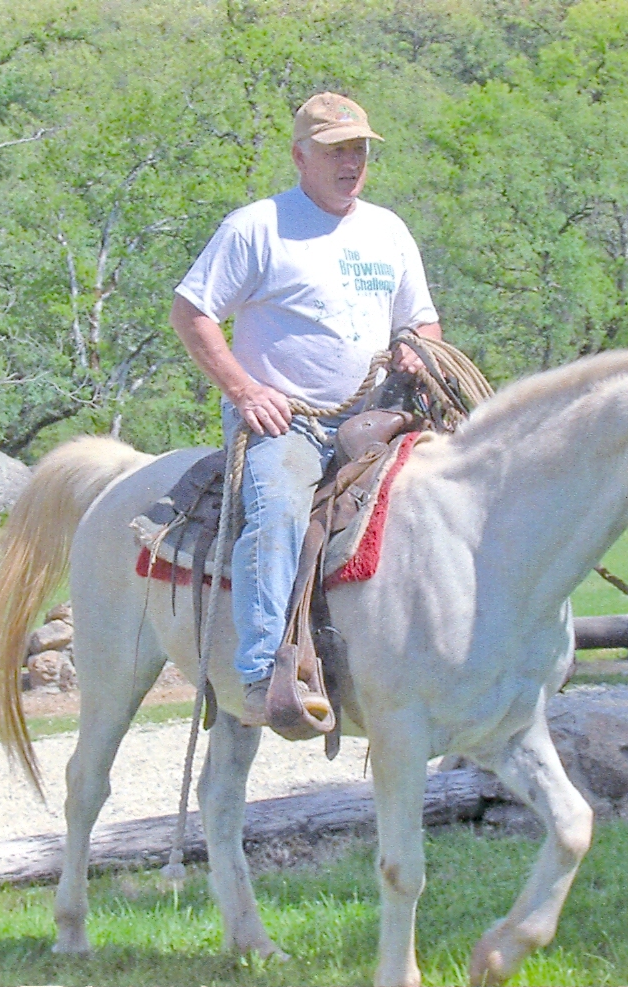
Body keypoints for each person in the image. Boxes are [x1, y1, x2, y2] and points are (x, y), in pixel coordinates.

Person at [170, 92, 443, 726]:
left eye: (360, 151)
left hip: (377, 420)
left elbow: (422, 320)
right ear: (300, 156)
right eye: (336, 151)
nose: (352, 164)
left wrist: (418, 352)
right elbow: (191, 314)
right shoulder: (257, 227)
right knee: (279, 513)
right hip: (286, 421)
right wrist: (246, 392)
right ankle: (265, 675)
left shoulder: (388, 229)